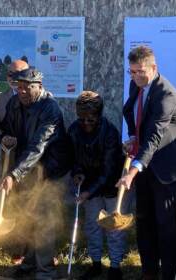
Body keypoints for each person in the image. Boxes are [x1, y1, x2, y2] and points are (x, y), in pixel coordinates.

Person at [0, 68, 70, 280]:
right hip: (26, 170)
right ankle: (29, 263)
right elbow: (7, 128)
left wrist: (14, 174)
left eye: (26, 88)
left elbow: (38, 146)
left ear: (39, 86)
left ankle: (46, 270)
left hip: (51, 171)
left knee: (44, 220)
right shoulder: (14, 103)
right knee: (27, 217)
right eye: (18, 87)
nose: (21, 92)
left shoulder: (51, 109)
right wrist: (6, 138)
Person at [118, 46, 176, 280]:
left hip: (166, 172)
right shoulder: (137, 85)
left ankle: (169, 274)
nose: (135, 76)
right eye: (131, 72)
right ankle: (149, 273)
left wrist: (131, 172)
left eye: (141, 71)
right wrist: (133, 137)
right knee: (144, 224)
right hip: (145, 168)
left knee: (167, 229)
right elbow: (137, 119)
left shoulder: (167, 95)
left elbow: (155, 137)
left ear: (154, 68)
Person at [67, 91, 126, 280]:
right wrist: (77, 173)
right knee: (92, 225)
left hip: (111, 184)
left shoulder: (110, 133)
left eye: (90, 119)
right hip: (89, 184)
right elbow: (73, 157)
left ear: (99, 115)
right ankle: (96, 263)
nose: (85, 123)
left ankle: (115, 266)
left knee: (113, 226)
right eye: (82, 118)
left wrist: (87, 192)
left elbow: (108, 171)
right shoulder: (74, 130)